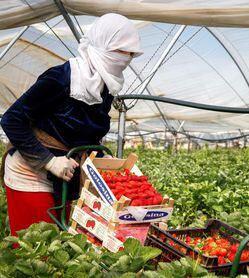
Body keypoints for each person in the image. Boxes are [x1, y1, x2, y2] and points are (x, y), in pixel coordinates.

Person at [0, 13, 143, 236]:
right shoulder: (62, 78)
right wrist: (48, 161)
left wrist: (104, 161)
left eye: (131, 54)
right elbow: (11, 120)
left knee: (59, 243)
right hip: (30, 170)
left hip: (64, 174)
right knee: (36, 246)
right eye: (121, 51)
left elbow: (86, 133)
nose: (126, 58)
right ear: (101, 45)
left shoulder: (105, 87)